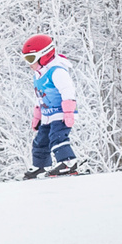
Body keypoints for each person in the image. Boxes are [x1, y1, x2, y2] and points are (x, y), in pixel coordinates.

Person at [20, 35, 83, 178]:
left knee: (57, 137)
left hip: (61, 113)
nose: (29, 64)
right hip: (48, 114)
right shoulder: (38, 74)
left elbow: (68, 91)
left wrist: (68, 112)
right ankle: (40, 166)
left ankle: (68, 162)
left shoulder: (57, 71)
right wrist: (37, 116)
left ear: (44, 55)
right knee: (40, 141)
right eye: (26, 59)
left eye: (31, 59)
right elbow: (39, 97)